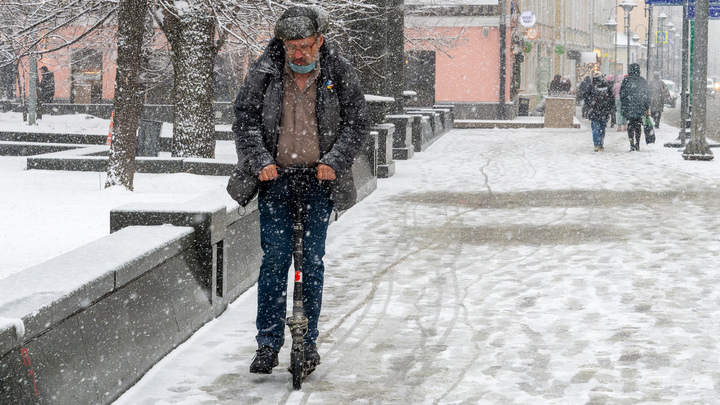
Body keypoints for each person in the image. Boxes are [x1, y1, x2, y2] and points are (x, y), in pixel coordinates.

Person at [232, 6, 370, 375]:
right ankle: (267, 344)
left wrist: (335, 161)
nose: (299, 53)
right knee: (275, 261)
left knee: (311, 262)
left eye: (306, 46)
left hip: (318, 182)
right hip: (274, 181)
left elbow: (358, 122)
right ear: (282, 44)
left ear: (319, 42)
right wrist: (260, 160)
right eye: (292, 46)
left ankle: (307, 342)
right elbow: (243, 118)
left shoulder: (338, 72)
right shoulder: (265, 73)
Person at [620, 63, 650, 152]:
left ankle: (631, 144)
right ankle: (637, 144)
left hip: (629, 107)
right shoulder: (642, 81)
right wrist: (646, 107)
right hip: (639, 107)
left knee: (630, 126)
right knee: (638, 126)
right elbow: (646, 95)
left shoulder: (626, 80)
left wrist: (625, 104)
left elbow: (622, 94)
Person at [588, 75, 615, 152]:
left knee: (595, 128)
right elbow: (611, 99)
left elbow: (586, 96)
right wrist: (610, 108)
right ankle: (600, 143)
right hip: (604, 112)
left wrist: (590, 105)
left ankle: (596, 144)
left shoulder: (592, 87)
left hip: (594, 111)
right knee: (602, 128)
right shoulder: (607, 87)